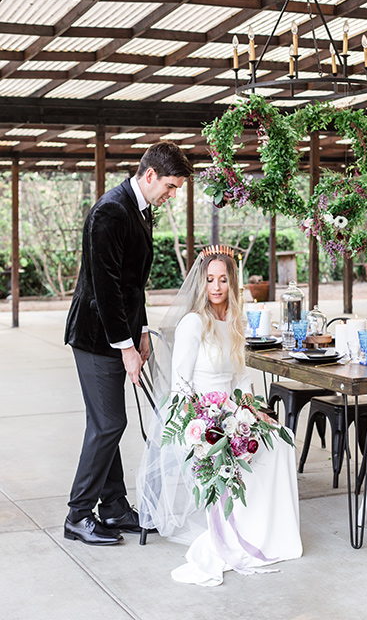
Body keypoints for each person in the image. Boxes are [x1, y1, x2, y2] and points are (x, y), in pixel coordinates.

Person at [137, 246, 302, 585]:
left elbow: (241, 378)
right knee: (239, 454)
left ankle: (269, 535)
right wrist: (201, 419)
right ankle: (238, 536)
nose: (216, 287)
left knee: (280, 445)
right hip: (197, 414)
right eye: (210, 279)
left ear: (232, 283)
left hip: (232, 408)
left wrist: (256, 411)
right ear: (202, 283)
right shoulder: (193, 323)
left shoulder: (236, 322)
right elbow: (181, 383)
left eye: (223, 280)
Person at [64, 141, 193, 546]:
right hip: (94, 336)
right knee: (109, 424)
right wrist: (125, 347)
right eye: (170, 187)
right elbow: (105, 288)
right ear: (150, 175)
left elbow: (132, 283)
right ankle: (78, 515)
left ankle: (115, 507)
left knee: (106, 423)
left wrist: (140, 332)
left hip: (120, 332)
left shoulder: (140, 209)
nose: (172, 195)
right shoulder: (110, 211)